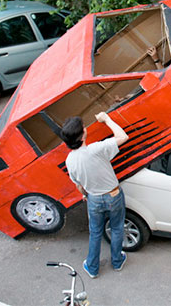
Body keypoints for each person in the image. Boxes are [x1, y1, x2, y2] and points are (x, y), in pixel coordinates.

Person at [61, 112, 129, 278]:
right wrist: (106, 119)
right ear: (82, 135)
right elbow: (122, 136)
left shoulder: (69, 160)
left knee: (96, 233)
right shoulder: (96, 149)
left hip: (93, 198)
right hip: (113, 195)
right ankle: (117, 261)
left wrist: (85, 194)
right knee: (117, 227)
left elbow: (78, 184)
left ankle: (92, 268)